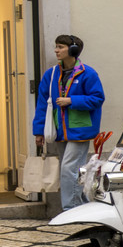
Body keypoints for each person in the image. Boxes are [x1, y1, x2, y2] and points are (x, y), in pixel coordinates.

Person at [32, 34, 106, 210]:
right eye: (56, 47)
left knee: (68, 170)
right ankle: (84, 206)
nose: (56, 50)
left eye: (60, 47)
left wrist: (72, 101)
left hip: (80, 130)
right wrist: (39, 131)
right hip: (59, 130)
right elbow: (43, 103)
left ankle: (70, 209)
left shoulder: (88, 73)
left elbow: (97, 98)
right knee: (72, 171)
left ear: (73, 50)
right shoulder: (51, 75)